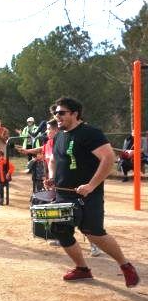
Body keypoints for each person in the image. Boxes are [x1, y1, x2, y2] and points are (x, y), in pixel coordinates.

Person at [45, 97, 139, 286]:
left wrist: (91, 185)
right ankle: (82, 269)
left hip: (88, 194)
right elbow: (55, 159)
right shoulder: (60, 135)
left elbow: (108, 158)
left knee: (93, 233)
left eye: (61, 113)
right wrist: (52, 176)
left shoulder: (90, 133)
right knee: (60, 229)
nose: (57, 116)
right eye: (55, 113)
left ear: (75, 113)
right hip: (64, 193)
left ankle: (125, 265)